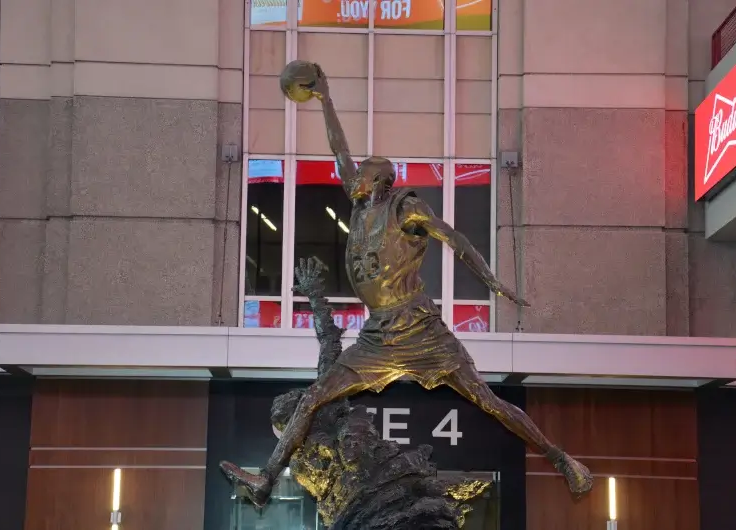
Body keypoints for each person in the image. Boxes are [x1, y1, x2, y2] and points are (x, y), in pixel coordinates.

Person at [221, 62, 593, 506]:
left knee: (486, 400)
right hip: (378, 336)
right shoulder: (359, 206)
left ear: (379, 180)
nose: (352, 174)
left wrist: (492, 281)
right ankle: (265, 480)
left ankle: (561, 458)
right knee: (315, 394)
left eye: (363, 171)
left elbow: (453, 237)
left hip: (420, 330)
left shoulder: (405, 208)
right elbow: (339, 150)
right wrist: (325, 99)